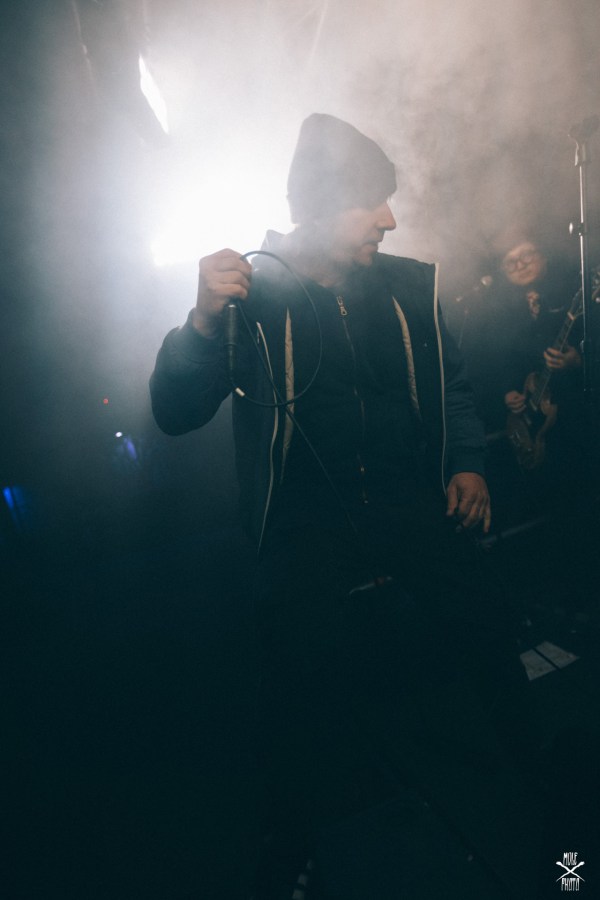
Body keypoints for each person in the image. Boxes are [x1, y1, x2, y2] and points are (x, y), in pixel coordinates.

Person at [150, 115, 542, 899]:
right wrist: (199, 325)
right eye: (371, 203)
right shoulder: (251, 296)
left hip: (402, 499)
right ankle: (292, 843)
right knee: (298, 667)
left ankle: (545, 797)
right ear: (323, 207)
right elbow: (174, 411)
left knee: (484, 614)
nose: (389, 220)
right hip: (308, 517)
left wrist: (467, 464)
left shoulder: (406, 289)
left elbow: (453, 388)